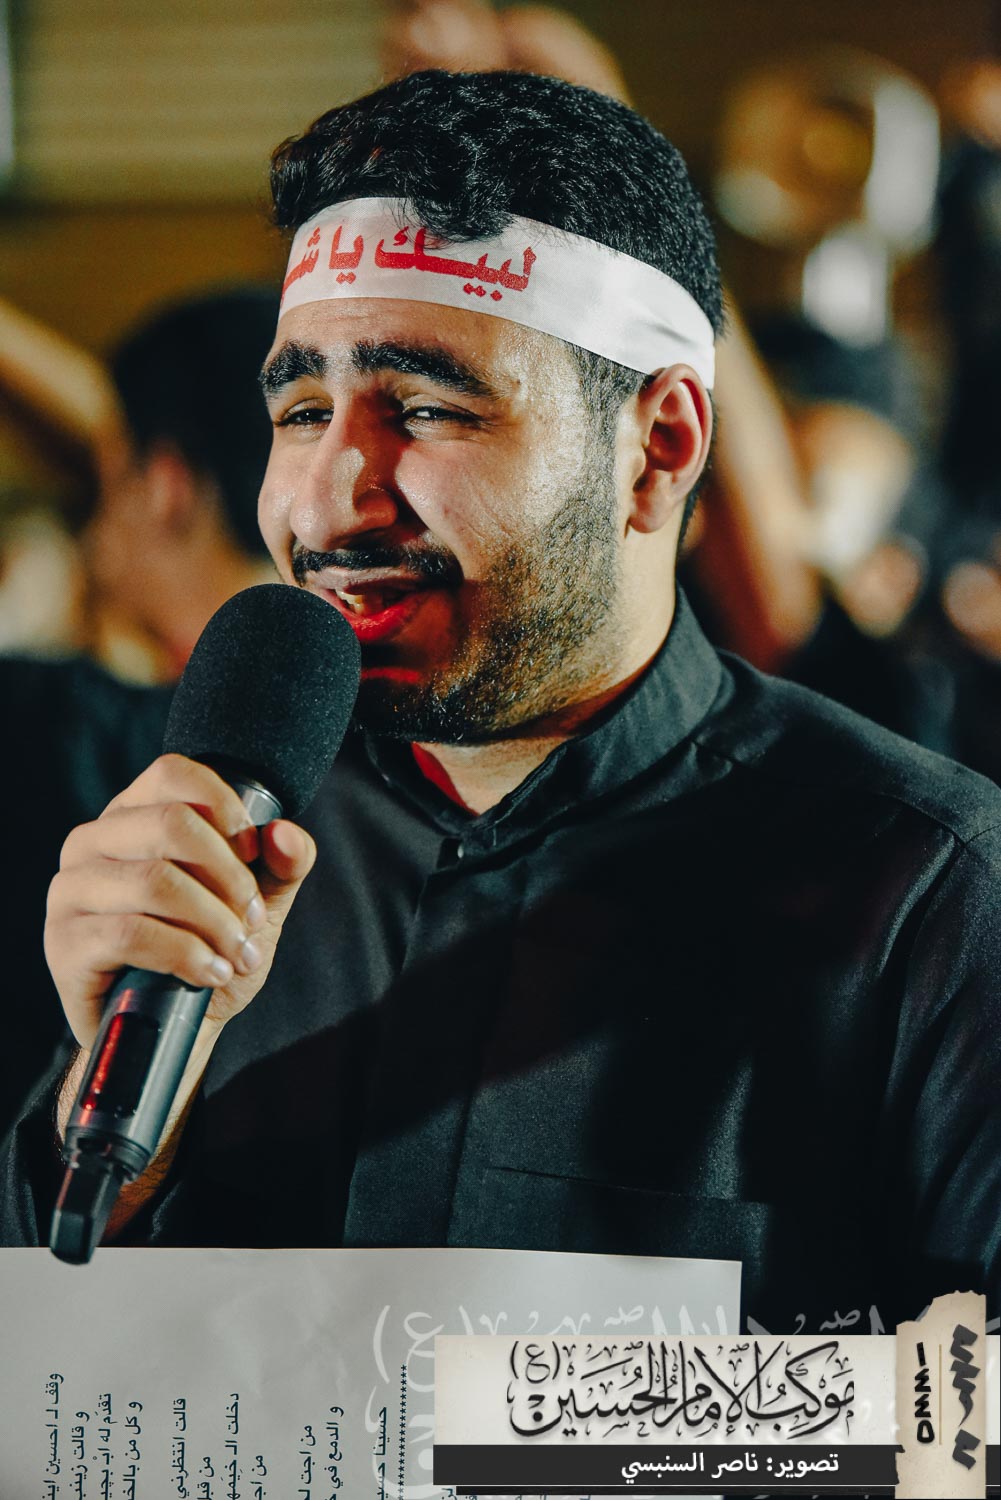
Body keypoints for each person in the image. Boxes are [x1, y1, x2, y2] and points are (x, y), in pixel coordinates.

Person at [1, 70, 998, 1336]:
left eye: (426, 409)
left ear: (659, 447)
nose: (327, 498)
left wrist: (549, 1418)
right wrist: (112, 1146)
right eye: (300, 412)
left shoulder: (925, 898)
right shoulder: (204, 834)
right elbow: (46, 1364)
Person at [0, 291, 278, 1134]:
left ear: (163, 488)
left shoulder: (47, 726)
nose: (92, 530)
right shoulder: (411, 745)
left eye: (105, 481)